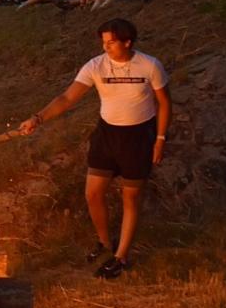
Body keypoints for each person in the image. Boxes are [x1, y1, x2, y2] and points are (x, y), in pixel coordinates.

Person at [19, 18, 171, 278]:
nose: (105, 47)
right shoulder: (95, 66)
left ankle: (121, 257)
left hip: (138, 138)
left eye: (111, 43)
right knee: (93, 193)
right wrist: (38, 118)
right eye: (103, 42)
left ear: (127, 42)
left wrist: (160, 139)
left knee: (130, 198)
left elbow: (165, 103)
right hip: (106, 135)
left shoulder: (150, 65)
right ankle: (104, 242)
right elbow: (67, 98)